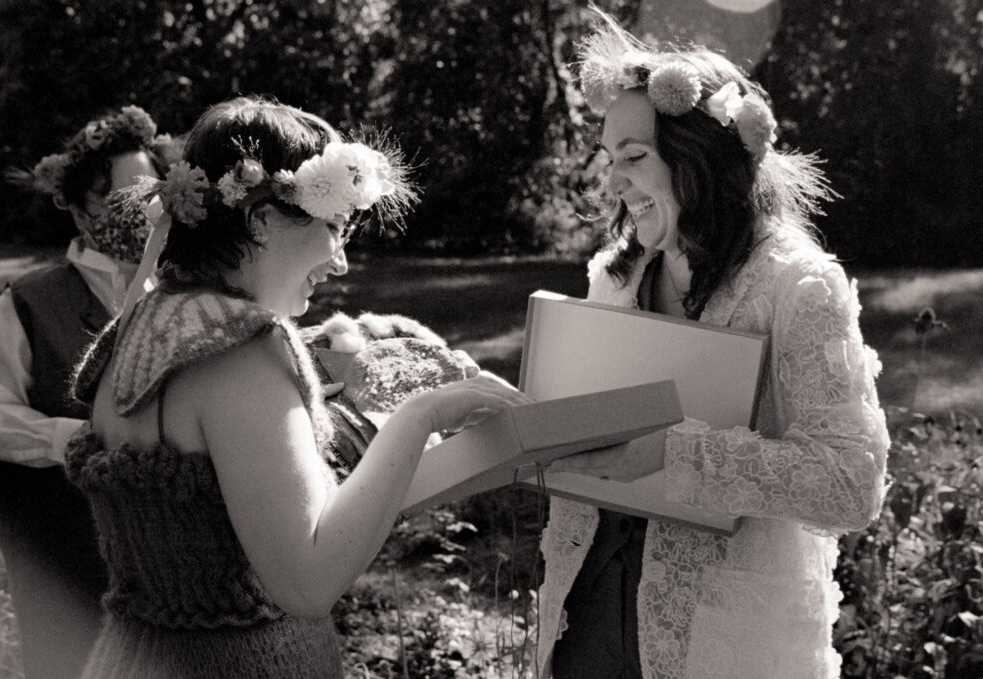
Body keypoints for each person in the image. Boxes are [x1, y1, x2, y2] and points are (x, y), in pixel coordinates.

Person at [63, 95, 529, 678]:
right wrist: (421, 416)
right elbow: (308, 582)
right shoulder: (242, 347)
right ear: (261, 220)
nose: (341, 262)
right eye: (333, 227)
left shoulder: (138, 325)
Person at [535, 12, 890, 679]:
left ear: (700, 157)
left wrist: (673, 455)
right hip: (589, 627)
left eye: (634, 158)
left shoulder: (797, 286)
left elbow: (852, 483)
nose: (613, 185)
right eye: (610, 160)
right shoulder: (615, 277)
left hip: (724, 641)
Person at [0, 106, 174, 679]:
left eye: (150, 194)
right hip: (66, 561)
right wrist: (79, 438)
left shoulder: (181, 296)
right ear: (80, 208)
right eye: (122, 198)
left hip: (170, 567)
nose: (141, 211)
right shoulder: (25, 304)